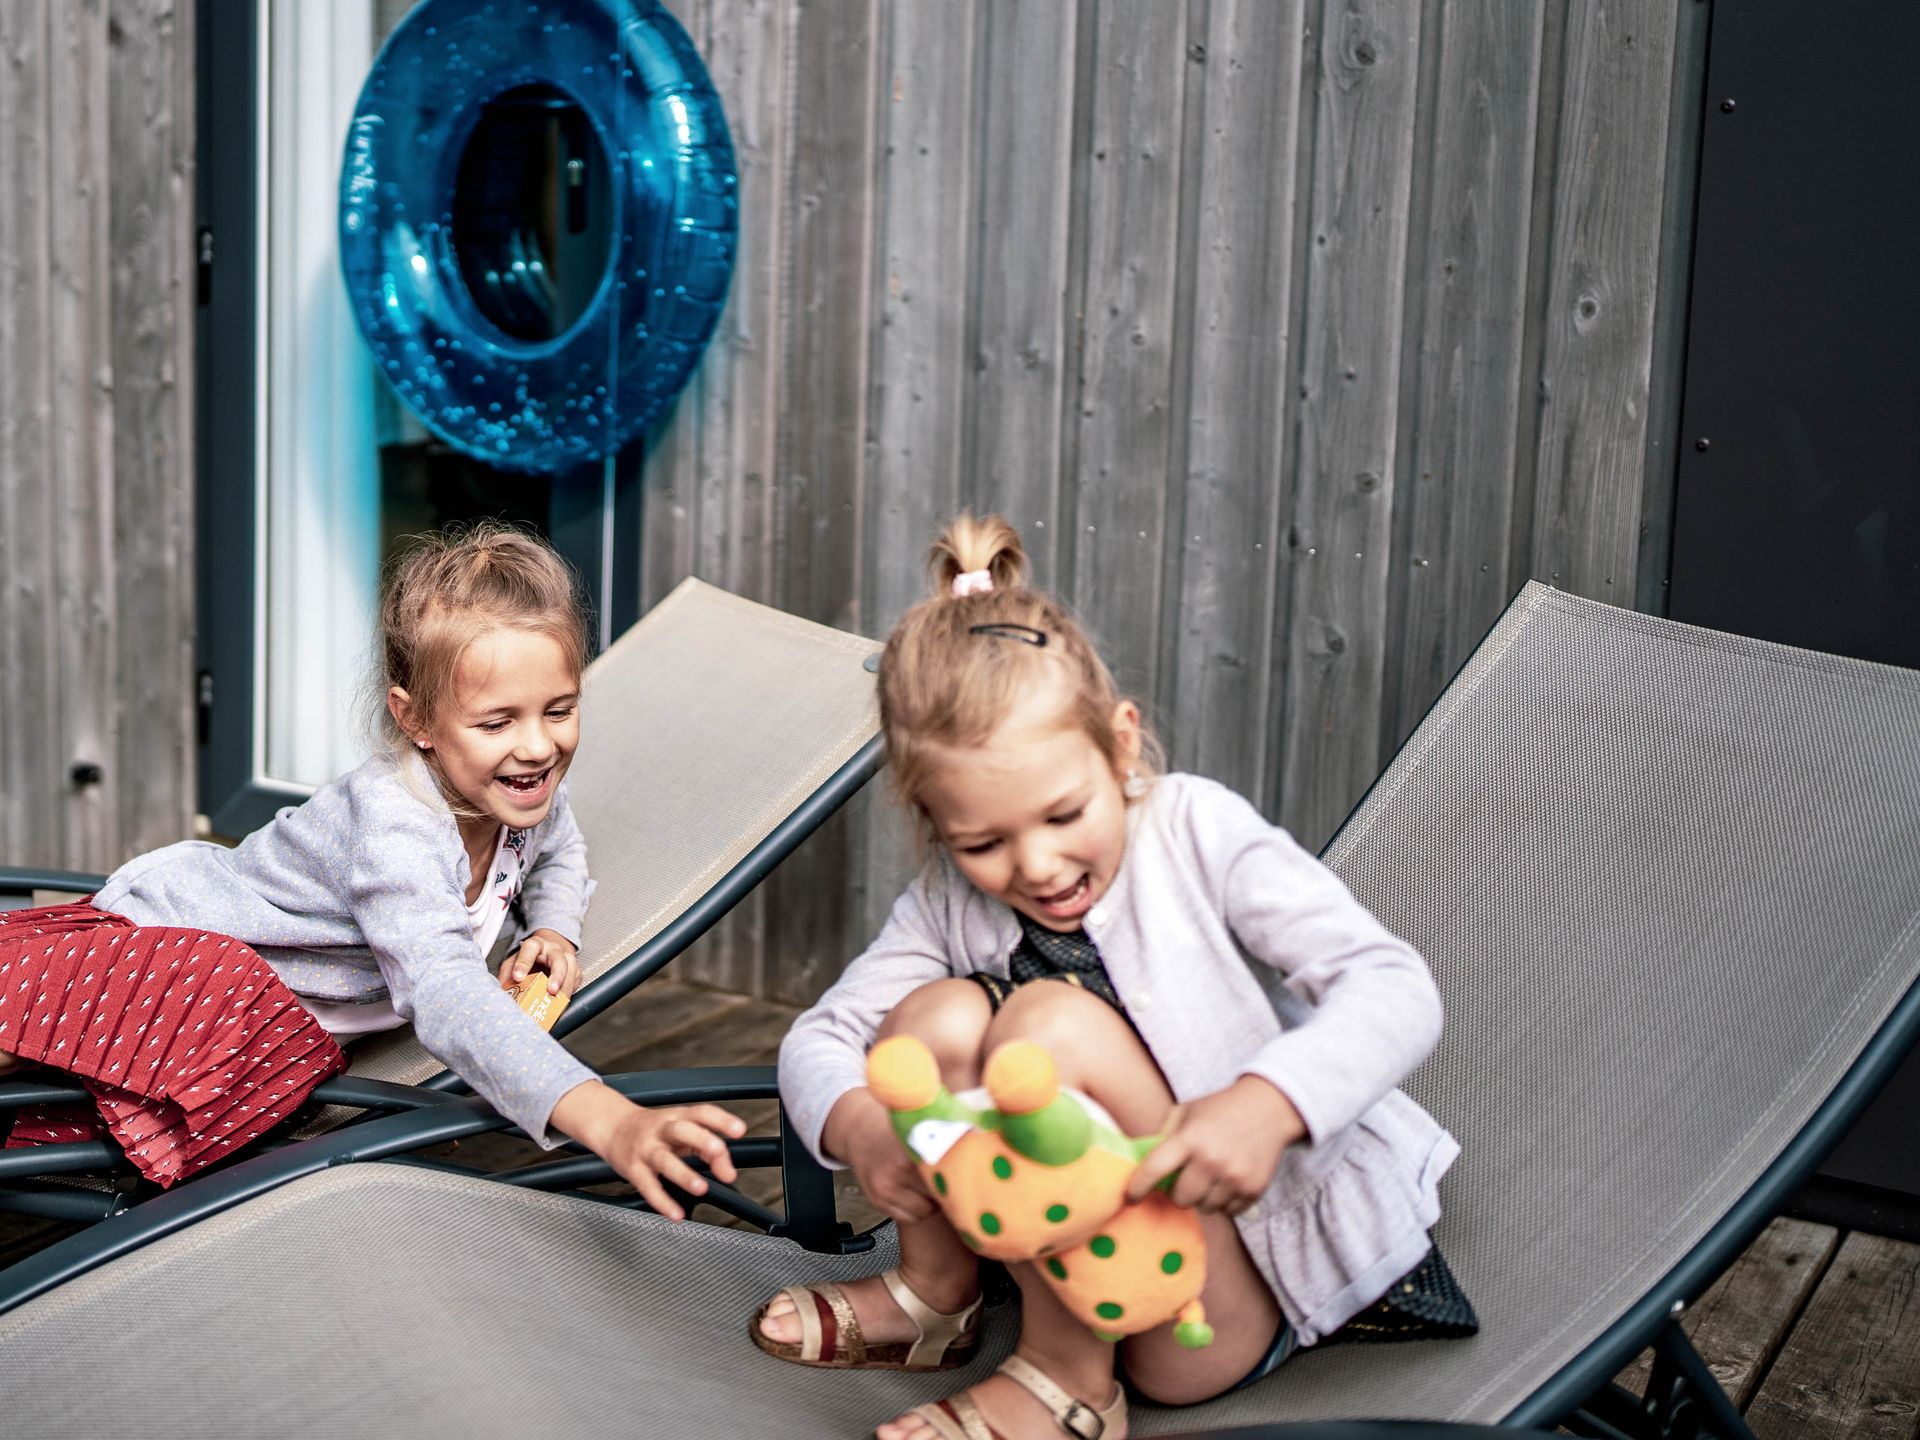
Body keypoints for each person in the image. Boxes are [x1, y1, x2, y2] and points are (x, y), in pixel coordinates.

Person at [752, 515, 1474, 1440]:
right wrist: (859, 1125)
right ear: (935, 822)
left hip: (1212, 1292)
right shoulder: (946, 902)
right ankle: (936, 1296)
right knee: (932, 1020)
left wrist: (1269, 1105)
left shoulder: (1195, 831)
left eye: (1064, 815)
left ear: (1121, 745)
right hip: (1046, 1261)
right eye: (983, 842)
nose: (1038, 865)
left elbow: (1394, 986)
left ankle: (1070, 1381)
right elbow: (824, 1036)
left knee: (1046, 1030)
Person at [0, 523, 742, 1213]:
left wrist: (553, 927)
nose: (538, 746)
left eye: (559, 710)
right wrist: (606, 1118)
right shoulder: (397, 827)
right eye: (497, 722)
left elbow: (562, 849)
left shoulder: (524, 791)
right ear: (415, 719)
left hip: (268, 1019)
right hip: (183, 956)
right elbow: (444, 989)